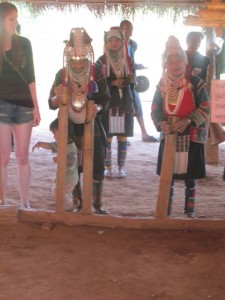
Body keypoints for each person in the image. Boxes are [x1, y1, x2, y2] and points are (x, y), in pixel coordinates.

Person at [48, 27, 111, 214]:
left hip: (92, 124)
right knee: (72, 165)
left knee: (97, 165)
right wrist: (58, 96)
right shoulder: (61, 73)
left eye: (82, 61)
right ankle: (76, 202)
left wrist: (97, 108)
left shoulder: (96, 72)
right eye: (74, 61)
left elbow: (105, 98)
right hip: (68, 125)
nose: (78, 65)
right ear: (67, 57)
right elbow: (51, 103)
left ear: (88, 56)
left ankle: (96, 206)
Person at [151, 35, 210, 218]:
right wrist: (161, 123)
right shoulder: (162, 84)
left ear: (185, 62)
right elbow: (155, 109)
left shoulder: (196, 83)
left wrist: (189, 119)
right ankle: (165, 211)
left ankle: (189, 212)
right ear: (165, 64)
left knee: (189, 176)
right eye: (171, 61)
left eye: (179, 60)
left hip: (190, 135)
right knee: (168, 175)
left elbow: (206, 107)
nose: (175, 64)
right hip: (169, 135)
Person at [0, 2, 41, 208]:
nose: (15, 22)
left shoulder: (24, 43)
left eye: (16, 18)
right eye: (11, 19)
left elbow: (31, 77)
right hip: (1, 106)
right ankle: (1, 201)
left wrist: (36, 107)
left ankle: (25, 203)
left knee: (23, 157)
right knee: (3, 157)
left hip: (24, 105)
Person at [96, 27, 135, 178]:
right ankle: (108, 167)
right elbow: (97, 81)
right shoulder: (101, 61)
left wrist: (130, 80)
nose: (113, 43)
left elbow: (133, 80)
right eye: (110, 40)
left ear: (122, 42)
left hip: (124, 101)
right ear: (106, 43)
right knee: (108, 135)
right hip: (109, 103)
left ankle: (121, 167)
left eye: (116, 40)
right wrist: (111, 83)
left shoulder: (128, 60)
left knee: (122, 135)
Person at [120, 20, 158, 143]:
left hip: (131, 79)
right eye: (126, 28)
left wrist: (137, 66)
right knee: (123, 107)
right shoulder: (117, 43)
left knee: (136, 105)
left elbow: (130, 61)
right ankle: (123, 135)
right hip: (120, 80)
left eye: (130, 28)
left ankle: (143, 133)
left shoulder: (133, 44)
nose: (129, 30)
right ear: (121, 30)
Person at [32, 118, 78, 211]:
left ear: (63, 132)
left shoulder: (71, 146)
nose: (53, 135)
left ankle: (70, 206)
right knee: (57, 191)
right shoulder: (60, 143)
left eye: (54, 132)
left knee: (58, 192)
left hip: (69, 178)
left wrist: (61, 159)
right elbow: (51, 146)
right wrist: (40, 143)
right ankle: (65, 204)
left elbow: (73, 160)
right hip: (62, 176)